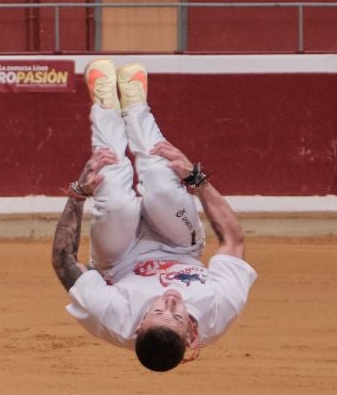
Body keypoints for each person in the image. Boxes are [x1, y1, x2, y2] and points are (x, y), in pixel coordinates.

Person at [52, 59, 254, 373]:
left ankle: (105, 106)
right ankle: (135, 107)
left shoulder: (112, 314)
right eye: (178, 317)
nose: (170, 302)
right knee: (163, 187)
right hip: (179, 245)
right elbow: (232, 240)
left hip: (120, 258)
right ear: (191, 335)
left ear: (138, 326)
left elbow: (64, 258)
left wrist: (78, 193)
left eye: (159, 311)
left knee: (114, 195)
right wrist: (197, 180)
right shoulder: (219, 310)